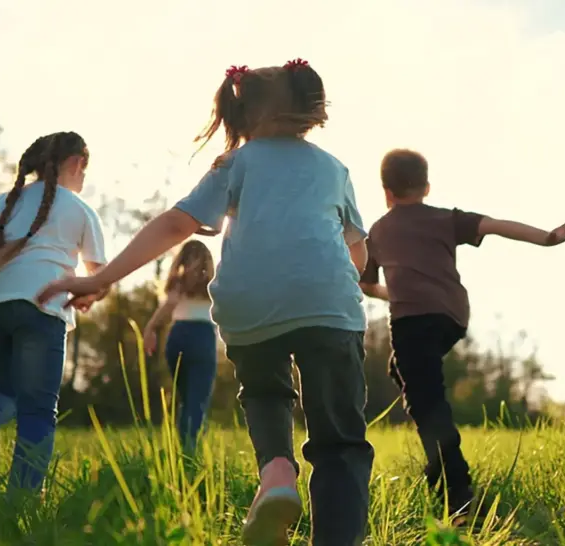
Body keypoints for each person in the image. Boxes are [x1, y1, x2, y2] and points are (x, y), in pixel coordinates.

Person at [37, 59, 374, 546]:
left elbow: (176, 224)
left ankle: (277, 473)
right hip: (326, 303)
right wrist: (340, 279)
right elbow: (356, 249)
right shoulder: (333, 168)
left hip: (248, 306)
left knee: (264, 392)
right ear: (310, 109)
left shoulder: (236, 164)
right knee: (339, 440)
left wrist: (102, 278)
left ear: (241, 115)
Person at [358, 148, 565, 518]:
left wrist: (394, 292)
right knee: (405, 375)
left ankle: (457, 491)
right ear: (426, 187)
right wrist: (548, 237)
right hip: (451, 318)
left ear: (385, 191)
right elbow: (495, 225)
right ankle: (441, 469)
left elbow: (367, 287)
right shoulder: (446, 219)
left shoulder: (378, 232)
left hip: (412, 322)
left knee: (427, 402)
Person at [0, 131, 108, 491]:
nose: (84, 178)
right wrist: (89, 294)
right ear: (75, 164)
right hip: (39, 306)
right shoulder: (80, 210)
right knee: (38, 408)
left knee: (7, 392)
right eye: (84, 169)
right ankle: (22, 502)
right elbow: (100, 278)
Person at [143, 240, 218, 452]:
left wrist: (151, 328)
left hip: (178, 337)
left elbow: (170, 304)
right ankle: (191, 451)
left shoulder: (177, 282)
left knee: (185, 398)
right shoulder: (213, 284)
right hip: (202, 337)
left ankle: (184, 447)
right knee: (198, 398)